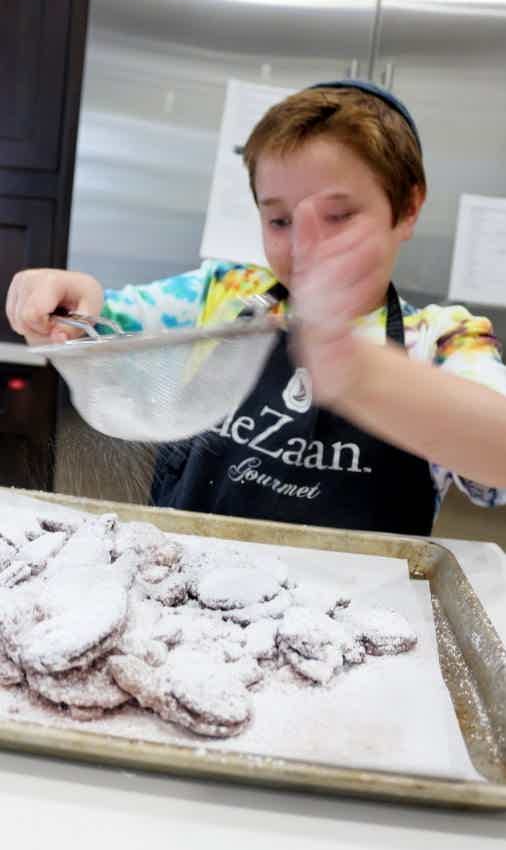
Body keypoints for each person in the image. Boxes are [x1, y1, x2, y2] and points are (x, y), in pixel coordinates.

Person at [7, 80, 506, 535]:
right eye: (280, 221)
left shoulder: (443, 338)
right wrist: (57, 299)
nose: (305, 245)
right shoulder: (222, 296)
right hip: (192, 600)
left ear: (409, 207)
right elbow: (92, 328)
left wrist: (361, 373)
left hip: (360, 616)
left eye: (338, 215)